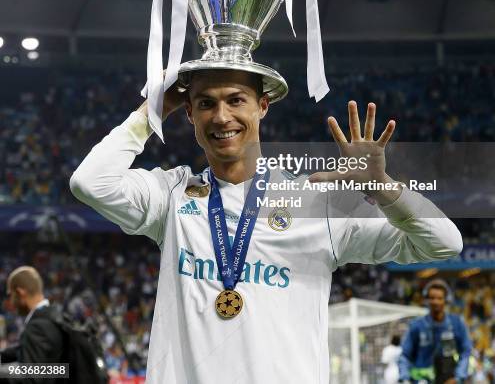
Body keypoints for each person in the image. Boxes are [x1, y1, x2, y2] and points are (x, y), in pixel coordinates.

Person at [70, 68, 463, 384]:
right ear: (188, 114)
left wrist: (382, 187)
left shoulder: (317, 205)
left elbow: (444, 242)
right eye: (205, 103)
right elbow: (89, 182)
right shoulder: (173, 196)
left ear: (262, 106)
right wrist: (152, 110)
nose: (221, 116)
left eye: (235, 100)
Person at [398, 279, 472, 383]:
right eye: (432, 298)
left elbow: (465, 352)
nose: (435, 302)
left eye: (439, 298)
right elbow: (405, 355)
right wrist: (404, 378)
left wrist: (458, 377)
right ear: (426, 300)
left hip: (448, 379)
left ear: (446, 300)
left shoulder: (456, 324)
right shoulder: (416, 325)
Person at [0, 266, 64, 383]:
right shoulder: (53, 317)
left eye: (11, 295)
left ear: (20, 292)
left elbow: (31, 377)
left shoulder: (39, 326)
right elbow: (55, 369)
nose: (11, 301)